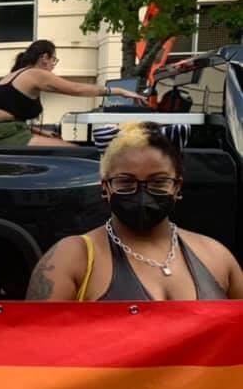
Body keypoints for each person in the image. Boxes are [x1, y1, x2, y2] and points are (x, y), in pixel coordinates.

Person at [25, 122, 243, 301]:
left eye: (158, 181)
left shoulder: (216, 257)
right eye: (125, 181)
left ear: (177, 187)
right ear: (105, 188)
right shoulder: (72, 258)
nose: (141, 194)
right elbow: (40, 344)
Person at [0, 39, 144, 147]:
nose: (54, 64)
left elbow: (10, 117)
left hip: (0, 133)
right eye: (54, 59)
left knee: (62, 142)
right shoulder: (35, 73)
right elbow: (76, 89)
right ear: (44, 57)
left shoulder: (16, 74)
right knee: (77, 151)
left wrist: (41, 132)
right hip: (7, 136)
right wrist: (117, 91)